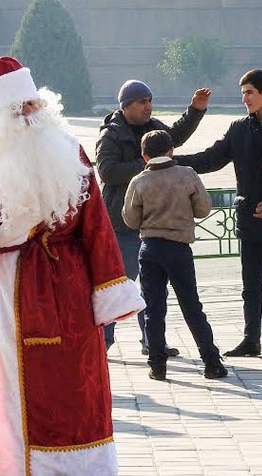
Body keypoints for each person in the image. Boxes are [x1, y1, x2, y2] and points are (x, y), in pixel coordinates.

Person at [0, 56, 144, 476]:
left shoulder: (70, 151)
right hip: (12, 287)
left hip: (68, 286)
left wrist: (108, 289)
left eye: (33, 103)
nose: (30, 113)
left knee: (68, 388)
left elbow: (96, 225)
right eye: (19, 107)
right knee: (7, 388)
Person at [173, 69, 262, 361]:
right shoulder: (238, 129)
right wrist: (171, 160)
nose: (245, 98)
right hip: (249, 219)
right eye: (243, 93)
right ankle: (251, 339)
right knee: (251, 286)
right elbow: (210, 159)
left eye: (250, 93)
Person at [96, 79, 210, 355]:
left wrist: (195, 111)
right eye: (142, 102)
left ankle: (153, 342)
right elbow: (108, 172)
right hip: (122, 222)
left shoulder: (153, 126)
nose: (148, 107)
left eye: (149, 101)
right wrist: (147, 164)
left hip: (152, 225)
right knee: (119, 283)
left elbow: (174, 138)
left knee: (153, 288)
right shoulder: (111, 134)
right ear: (126, 106)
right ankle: (103, 341)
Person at [122, 131, 228, 381]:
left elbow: (130, 219)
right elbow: (203, 209)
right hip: (179, 249)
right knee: (191, 306)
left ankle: (157, 365)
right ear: (171, 151)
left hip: (150, 248)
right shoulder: (187, 174)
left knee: (153, 308)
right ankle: (211, 362)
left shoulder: (138, 181)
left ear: (144, 155)